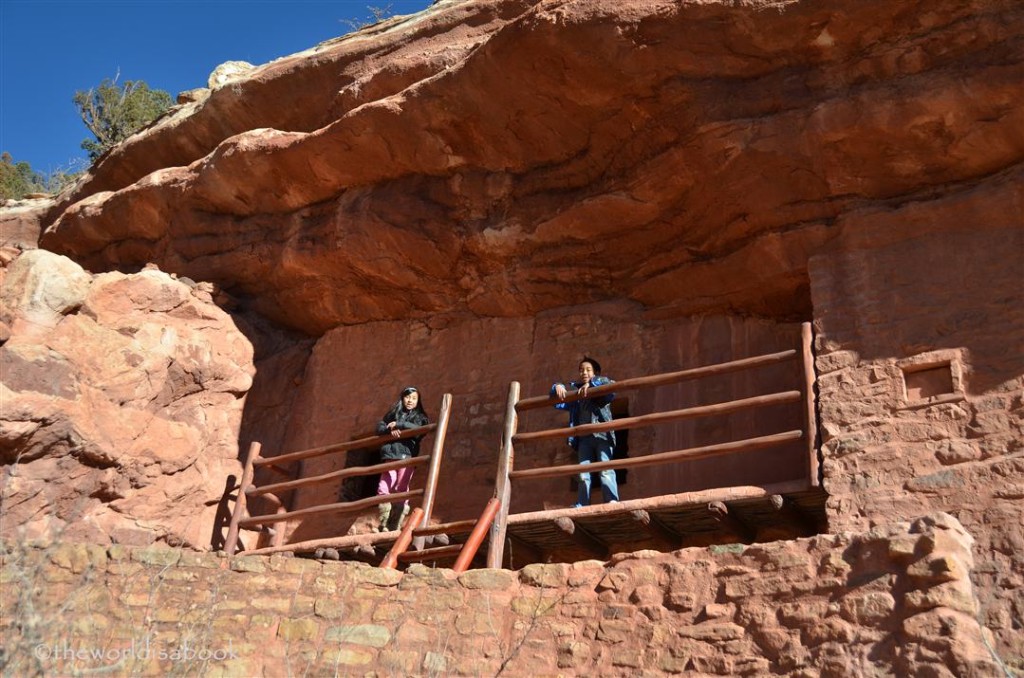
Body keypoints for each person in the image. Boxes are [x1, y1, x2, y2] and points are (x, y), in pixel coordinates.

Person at [551, 356, 619, 507]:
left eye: (588, 370)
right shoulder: (576, 393)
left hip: (602, 434)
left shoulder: (601, 385)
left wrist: (593, 385)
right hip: (584, 438)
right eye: (581, 370)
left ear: (595, 373)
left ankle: (611, 500)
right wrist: (557, 386)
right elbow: (557, 403)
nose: (584, 372)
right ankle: (582, 503)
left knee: (605, 468)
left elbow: (613, 387)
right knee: (583, 473)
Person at [375, 386, 429, 532]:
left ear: (418, 401)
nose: (410, 401)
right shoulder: (393, 413)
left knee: (401, 488)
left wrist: (399, 424)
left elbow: (420, 432)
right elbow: (379, 427)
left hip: (406, 456)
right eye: (407, 397)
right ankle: (384, 523)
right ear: (402, 398)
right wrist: (389, 429)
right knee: (384, 487)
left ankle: (395, 524)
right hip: (390, 455)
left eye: (413, 398)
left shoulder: (420, 417)